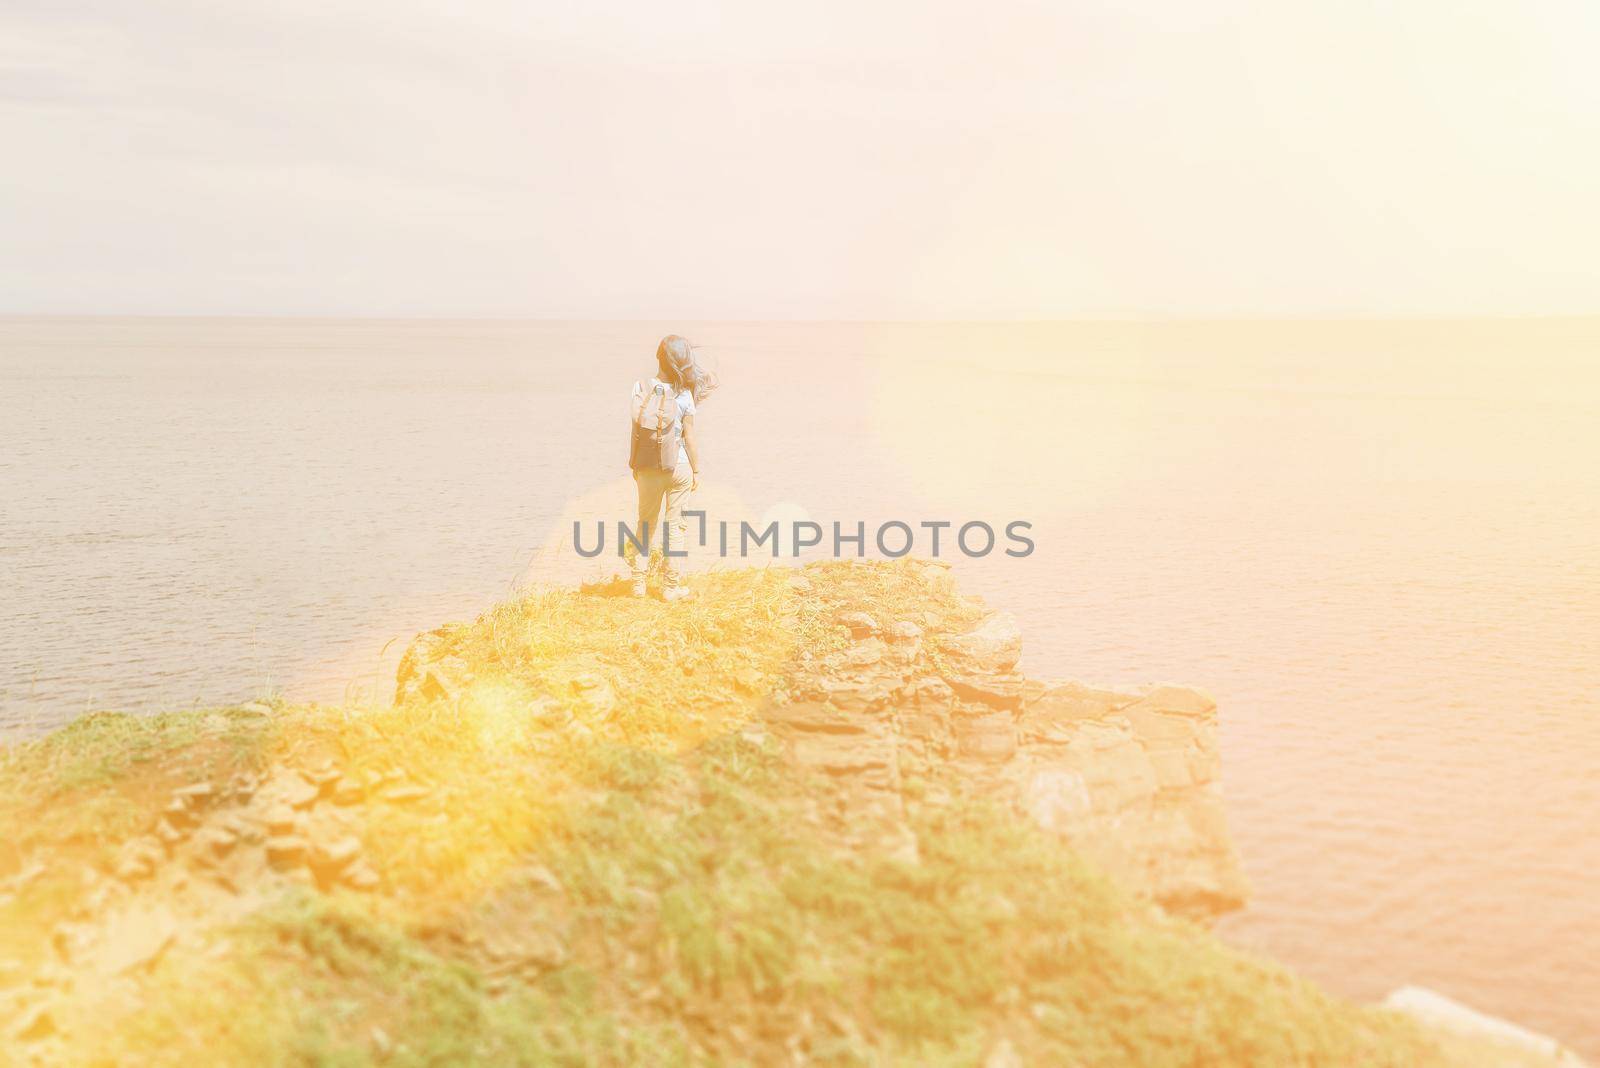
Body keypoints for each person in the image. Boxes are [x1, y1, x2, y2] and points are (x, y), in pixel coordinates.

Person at [628, 335, 715, 599]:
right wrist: (696, 470)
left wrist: (635, 465)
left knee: (645, 525)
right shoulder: (685, 395)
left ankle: (638, 585)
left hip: (647, 468)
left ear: (658, 357)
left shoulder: (640, 388)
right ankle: (670, 587)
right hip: (678, 469)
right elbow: (689, 437)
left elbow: (635, 431)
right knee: (675, 528)